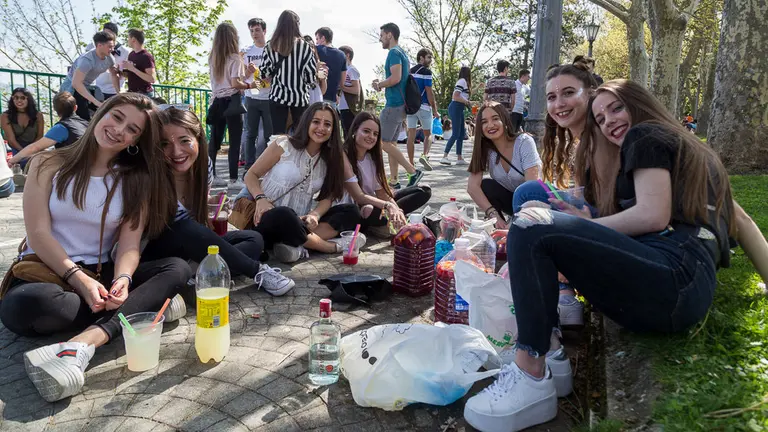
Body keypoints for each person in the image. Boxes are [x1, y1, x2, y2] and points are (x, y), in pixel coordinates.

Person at [463, 79, 744, 431]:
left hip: (673, 277)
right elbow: (741, 220)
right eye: (601, 117)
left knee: (531, 225)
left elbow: (652, 215)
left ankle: (531, 371)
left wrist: (578, 225)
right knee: (539, 226)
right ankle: (550, 354)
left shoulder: (645, 136)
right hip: (676, 286)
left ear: (640, 103)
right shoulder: (686, 149)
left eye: (616, 108)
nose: (608, 121)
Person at [0, 93, 190, 403]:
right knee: (27, 305)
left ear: (135, 141)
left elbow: (129, 243)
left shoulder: (134, 179)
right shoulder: (47, 162)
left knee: (176, 268)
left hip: (101, 276)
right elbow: (37, 233)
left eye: (132, 129)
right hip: (48, 274)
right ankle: (144, 308)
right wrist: (79, 279)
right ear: (101, 112)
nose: (119, 130)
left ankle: (83, 344)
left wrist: (124, 280)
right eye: (117, 117)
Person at [139, 107, 295, 295]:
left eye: (184, 140)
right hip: (155, 251)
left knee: (253, 239)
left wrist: (210, 201)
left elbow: (196, 210)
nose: (176, 151)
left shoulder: (203, 167)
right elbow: (176, 223)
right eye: (165, 144)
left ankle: (196, 276)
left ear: (198, 139)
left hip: (189, 249)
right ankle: (258, 271)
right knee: (183, 226)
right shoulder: (150, 175)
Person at [236, 102, 361, 263]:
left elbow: (328, 196)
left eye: (327, 124)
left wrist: (315, 215)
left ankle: (294, 244)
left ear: (333, 130)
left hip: (300, 222)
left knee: (351, 212)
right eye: (316, 122)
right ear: (307, 122)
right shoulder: (284, 144)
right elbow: (251, 174)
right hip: (267, 216)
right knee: (284, 214)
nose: (321, 128)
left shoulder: (329, 159)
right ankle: (330, 246)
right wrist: (260, 199)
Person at [342, 112, 431, 237]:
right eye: (366, 131)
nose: (371, 137)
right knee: (369, 209)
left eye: (375, 134)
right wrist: (389, 206)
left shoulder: (372, 157)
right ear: (355, 130)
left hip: (378, 203)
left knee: (424, 190)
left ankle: (393, 219)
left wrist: (396, 210)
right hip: (357, 208)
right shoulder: (344, 156)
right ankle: (383, 223)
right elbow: (359, 197)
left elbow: (382, 193)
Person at [467, 102, 541, 230]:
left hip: (538, 203)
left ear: (505, 120)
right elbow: (472, 187)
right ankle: (500, 227)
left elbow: (532, 188)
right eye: (484, 122)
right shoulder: (485, 150)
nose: (490, 125)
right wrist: (494, 216)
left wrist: (515, 223)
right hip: (514, 204)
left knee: (524, 193)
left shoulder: (524, 142)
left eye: (495, 119)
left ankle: (515, 227)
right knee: (486, 186)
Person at [372, 22, 423, 190]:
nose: (380, 39)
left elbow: (395, 78)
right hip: (401, 104)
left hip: (393, 104)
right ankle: (394, 180)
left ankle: (412, 171)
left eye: (381, 35)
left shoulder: (394, 53)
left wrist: (379, 84)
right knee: (391, 144)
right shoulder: (402, 53)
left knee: (383, 143)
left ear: (389, 35)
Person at [207, 22, 254, 189]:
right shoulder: (234, 57)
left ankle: (211, 176)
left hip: (217, 102)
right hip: (232, 103)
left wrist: (245, 74)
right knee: (234, 141)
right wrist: (250, 85)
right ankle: (234, 179)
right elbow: (235, 83)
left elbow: (224, 81)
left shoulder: (213, 57)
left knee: (215, 141)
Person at [261, 10, 317, 135]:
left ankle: (278, 155)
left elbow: (265, 73)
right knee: (301, 135)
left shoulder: (271, 45)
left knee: (277, 136)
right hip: (300, 98)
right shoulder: (305, 46)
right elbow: (310, 76)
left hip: (277, 96)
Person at [9, 92, 89, 165]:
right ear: (75, 108)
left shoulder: (61, 128)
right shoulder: (86, 124)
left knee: (39, 158)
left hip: (77, 166)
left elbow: (34, 147)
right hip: (89, 162)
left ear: (54, 109)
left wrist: (12, 161)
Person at [60, 31, 120, 121]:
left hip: (88, 86)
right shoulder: (87, 60)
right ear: (99, 45)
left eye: (113, 46)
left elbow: (114, 75)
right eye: (110, 46)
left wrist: (119, 94)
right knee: (79, 118)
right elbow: (76, 83)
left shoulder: (110, 58)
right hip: (72, 87)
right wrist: (95, 102)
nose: (112, 49)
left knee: (97, 116)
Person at [242, 18, 273, 169]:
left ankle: (267, 167)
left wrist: (265, 76)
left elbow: (275, 74)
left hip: (269, 97)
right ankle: (249, 167)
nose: (254, 33)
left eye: (257, 30)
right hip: (251, 97)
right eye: (252, 30)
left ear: (264, 31)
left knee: (269, 136)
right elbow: (240, 77)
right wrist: (247, 71)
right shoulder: (246, 52)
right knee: (250, 134)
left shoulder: (272, 49)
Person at [405, 48, 439, 172]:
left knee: (411, 136)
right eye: (429, 57)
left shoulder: (409, 72)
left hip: (410, 107)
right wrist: (435, 109)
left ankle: (410, 162)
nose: (430, 60)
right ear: (421, 58)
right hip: (424, 106)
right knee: (428, 134)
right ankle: (425, 155)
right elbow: (429, 92)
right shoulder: (427, 72)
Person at [1, 88, 45, 162]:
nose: (19, 100)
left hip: (34, 146)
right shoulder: (5, 116)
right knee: (23, 161)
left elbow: (40, 136)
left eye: (23, 98)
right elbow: (11, 140)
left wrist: (31, 150)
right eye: (16, 98)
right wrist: (24, 153)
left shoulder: (38, 115)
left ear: (28, 99)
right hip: (16, 148)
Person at [440, 66, 472, 166]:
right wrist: (467, 102)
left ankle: (459, 157)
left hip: (460, 107)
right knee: (456, 133)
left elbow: (464, 94)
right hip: (456, 106)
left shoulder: (463, 82)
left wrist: (477, 88)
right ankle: (444, 156)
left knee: (461, 133)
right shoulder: (462, 81)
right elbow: (456, 96)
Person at [89, 23, 130, 100]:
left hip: (116, 91)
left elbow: (127, 74)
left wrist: (119, 72)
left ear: (115, 35)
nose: (106, 36)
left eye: (108, 33)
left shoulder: (125, 52)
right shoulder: (97, 48)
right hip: (99, 89)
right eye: (104, 33)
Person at [314, 27, 347, 109]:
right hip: (332, 101)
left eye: (317, 39)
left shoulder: (317, 50)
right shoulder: (342, 55)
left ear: (323, 38)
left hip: (316, 97)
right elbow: (342, 82)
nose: (316, 42)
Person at [123, 29, 157, 97]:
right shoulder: (131, 54)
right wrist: (120, 72)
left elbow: (152, 79)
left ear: (133, 39)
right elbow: (133, 76)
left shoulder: (146, 56)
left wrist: (133, 69)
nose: (127, 40)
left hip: (144, 95)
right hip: (132, 93)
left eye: (128, 38)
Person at [338, 46, 362, 138]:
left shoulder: (351, 69)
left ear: (347, 55)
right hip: (343, 106)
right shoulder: (345, 69)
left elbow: (356, 90)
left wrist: (342, 87)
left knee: (349, 135)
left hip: (350, 108)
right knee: (345, 134)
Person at [303, 36, 329, 104]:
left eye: (312, 46)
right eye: (308, 46)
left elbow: (322, 91)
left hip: (316, 100)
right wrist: (314, 70)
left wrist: (323, 79)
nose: (311, 49)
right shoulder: (298, 65)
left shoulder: (319, 64)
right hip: (303, 101)